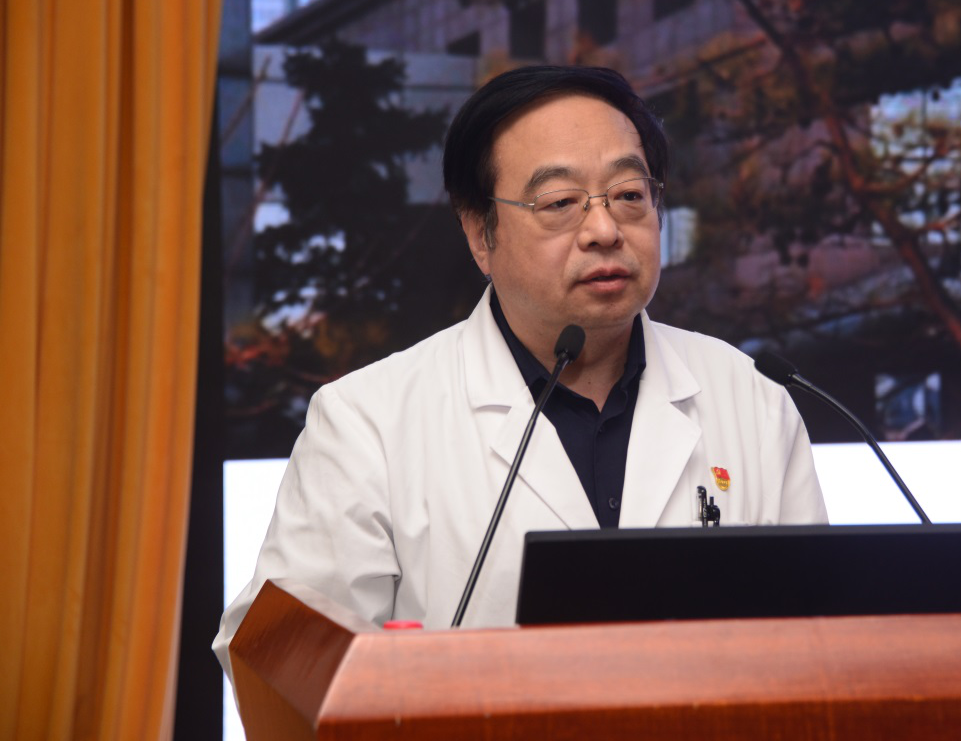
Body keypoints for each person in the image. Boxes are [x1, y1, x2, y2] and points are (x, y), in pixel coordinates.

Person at [213, 65, 827, 678]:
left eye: (629, 196)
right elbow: (280, 661)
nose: (605, 230)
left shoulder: (751, 396)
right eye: (560, 202)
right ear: (480, 233)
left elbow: (821, 645)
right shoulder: (366, 423)